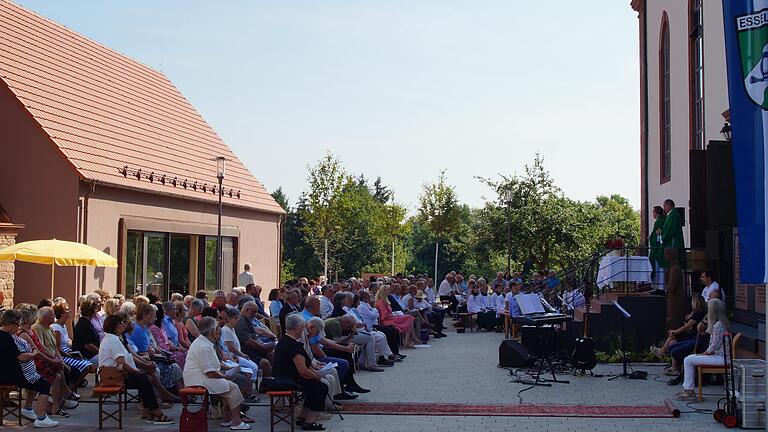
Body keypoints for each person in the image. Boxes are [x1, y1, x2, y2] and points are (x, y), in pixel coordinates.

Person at [99, 313, 173, 424]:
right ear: (115, 326)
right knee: (144, 379)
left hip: (121, 373)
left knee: (147, 377)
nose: (123, 325)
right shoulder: (113, 340)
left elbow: (130, 356)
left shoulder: (114, 338)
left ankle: (148, 410)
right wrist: (136, 370)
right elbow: (122, 363)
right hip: (116, 376)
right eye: (121, 323)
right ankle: (156, 411)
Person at [184, 317, 251, 430]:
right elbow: (210, 372)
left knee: (230, 383)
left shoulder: (205, 342)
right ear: (211, 331)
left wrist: (227, 372)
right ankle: (236, 422)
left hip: (201, 376)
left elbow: (213, 366)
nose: (218, 330)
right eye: (216, 328)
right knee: (233, 387)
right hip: (198, 379)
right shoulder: (204, 346)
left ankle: (227, 419)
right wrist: (225, 375)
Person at [0, 309, 59, 428]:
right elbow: (21, 357)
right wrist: (33, 354)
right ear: (9, 323)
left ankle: (27, 408)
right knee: (44, 384)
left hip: (6, 372)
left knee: (38, 380)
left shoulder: (6, 336)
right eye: (17, 324)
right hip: (10, 375)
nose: (18, 327)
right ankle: (41, 418)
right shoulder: (7, 339)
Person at [273, 314, 329, 431]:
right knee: (321, 387)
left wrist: (314, 373)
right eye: (302, 327)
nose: (303, 330)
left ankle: (303, 416)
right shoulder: (292, 344)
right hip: (287, 379)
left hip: (285, 376)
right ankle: (310, 421)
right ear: (298, 328)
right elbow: (302, 370)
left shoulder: (285, 340)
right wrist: (316, 376)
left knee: (315, 386)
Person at [676, 299, 730, 400]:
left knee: (688, 359)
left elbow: (712, 347)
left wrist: (703, 354)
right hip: (720, 356)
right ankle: (688, 389)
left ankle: (689, 391)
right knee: (690, 358)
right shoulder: (721, 323)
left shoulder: (718, 325)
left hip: (721, 358)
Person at [651, 295, 707, 376]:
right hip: (692, 334)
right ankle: (671, 363)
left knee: (672, 338)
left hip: (694, 336)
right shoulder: (695, 313)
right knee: (672, 339)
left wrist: (675, 331)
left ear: (695, 303)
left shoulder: (698, 314)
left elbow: (686, 326)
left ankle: (665, 354)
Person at [51, 302, 94, 389]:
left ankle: (72, 385)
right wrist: (70, 356)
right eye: (67, 309)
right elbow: (58, 348)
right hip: (61, 355)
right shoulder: (56, 328)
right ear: (61, 313)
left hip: (68, 351)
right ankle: (70, 388)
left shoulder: (63, 326)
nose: (69, 311)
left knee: (89, 365)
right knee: (85, 367)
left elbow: (67, 341)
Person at [659, 199, 686, 268]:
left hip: (673, 244)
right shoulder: (672, 214)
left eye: (664, 206)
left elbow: (670, 230)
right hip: (673, 242)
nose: (664, 208)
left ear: (669, 205)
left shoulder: (673, 214)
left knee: (672, 264)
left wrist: (662, 235)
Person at [72, 299, 100, 364]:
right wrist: (101, 352)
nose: (97, 311)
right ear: (91, 310)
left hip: (91, 356)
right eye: (95, 309)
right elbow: (88, 345)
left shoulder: (87, 323)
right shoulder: (83, 325)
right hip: (86, 357)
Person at [664, 248, 686, 331]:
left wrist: (666, 285)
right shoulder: (672, 269)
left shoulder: (675, 269)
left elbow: (672, 287)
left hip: (675, 301)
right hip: (671, 300)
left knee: (674, 321)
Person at [648, 205, 667, 288]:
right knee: (659, 270)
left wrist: (651, 237)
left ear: (656, 213)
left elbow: (658, 235)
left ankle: (660, 288)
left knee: (659, 269)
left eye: (653, 212)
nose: (653, 214)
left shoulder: (659, 221)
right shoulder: (661, 220)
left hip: (658, 249)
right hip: (659, 248)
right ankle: (659, 287)